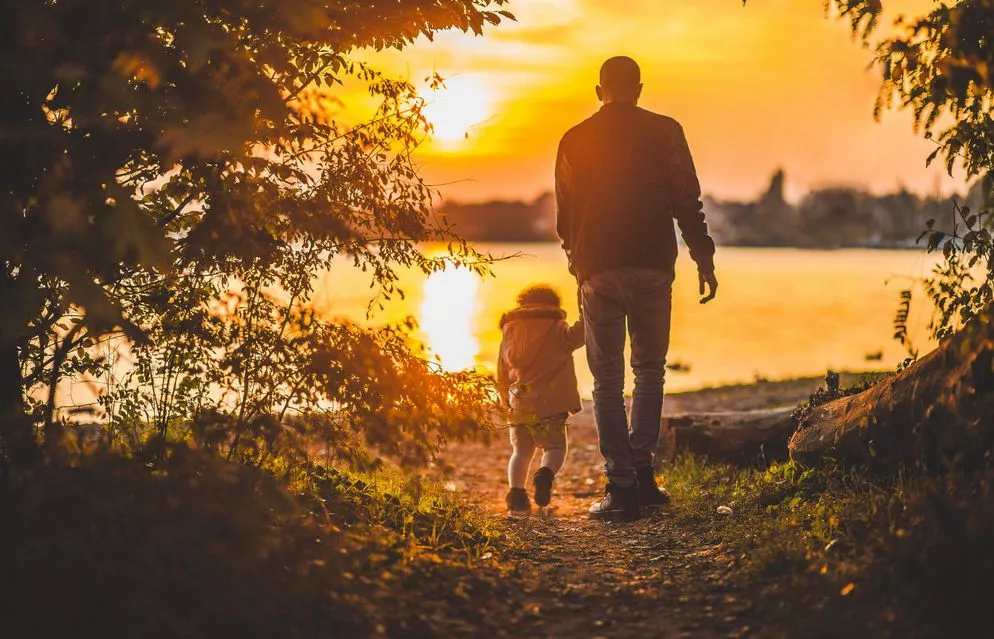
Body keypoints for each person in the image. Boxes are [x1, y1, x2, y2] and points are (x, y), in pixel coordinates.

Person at [555, 56, 718, 521]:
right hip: (652, 266)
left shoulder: (574, 138)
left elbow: (565, 214)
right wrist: (702, 257)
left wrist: (576, 261)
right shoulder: (666, 131)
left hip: (599, 269)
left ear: (598, 90)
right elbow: (687, 199)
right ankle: (644, 474)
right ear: (639, 89)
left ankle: (621, 484)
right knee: (650, 370)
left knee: (607, 379)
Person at [497, 284, 585, 513]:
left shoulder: (510, 330)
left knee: (521, 452)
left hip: (519, 403)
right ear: (553, 306)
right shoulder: (557, 328)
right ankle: (545, 475)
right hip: (551, 404)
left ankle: (516, 494)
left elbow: (501, 370)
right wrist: (586, 307)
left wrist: (504, 399)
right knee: (555, 448)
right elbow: (580, 335)